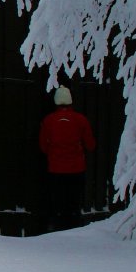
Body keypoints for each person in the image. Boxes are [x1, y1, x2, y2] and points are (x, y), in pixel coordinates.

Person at [39, 86, 96, 231]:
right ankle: (74, 227)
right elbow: (90, 144)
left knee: (57, 201)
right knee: (74, 202)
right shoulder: (80, 119)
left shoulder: (49, 120)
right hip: (76, 168)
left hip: (56, 168)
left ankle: (57, 227)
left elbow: (43, 145)